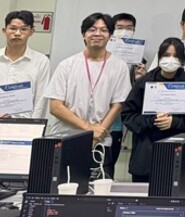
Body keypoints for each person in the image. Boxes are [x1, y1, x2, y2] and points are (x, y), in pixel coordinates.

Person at [45, 13, 131, 177]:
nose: (97, 34)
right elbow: (55, 107)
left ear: (110, 35)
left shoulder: (119, 67)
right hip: (66, 138)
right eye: (92, 29)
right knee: (62, 186)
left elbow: (118, 105)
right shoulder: (67, 65)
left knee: (99, 188)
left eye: (103, 30)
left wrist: (97, 136)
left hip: (101, 142)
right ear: (83, 34)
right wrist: (89, 129)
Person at [120, 38, 185, 182]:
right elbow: (128, 115)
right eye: (166, 55)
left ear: (182, 59)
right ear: (159, 56)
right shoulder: (144, 82)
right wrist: (152, 121)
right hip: (146, 155)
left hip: (178, 155)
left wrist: (175, 122)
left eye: (175, 56)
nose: (170, 60)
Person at [0, 10, 50, 119]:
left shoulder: (41, 62)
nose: (17, 33)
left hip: (23, 125)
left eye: (23, 29)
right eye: (12, 28)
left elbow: (41, 100)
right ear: (4, 30)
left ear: (31, 32)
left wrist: (33, 126)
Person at [106, 11, 144, 178]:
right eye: (120, 27)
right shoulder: (101, 53)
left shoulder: (138, 57)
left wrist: (139, 78)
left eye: (129, 28)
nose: (124, 31)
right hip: (95, 114)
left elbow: (136, 91)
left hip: (118, 117)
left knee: (110, 158)